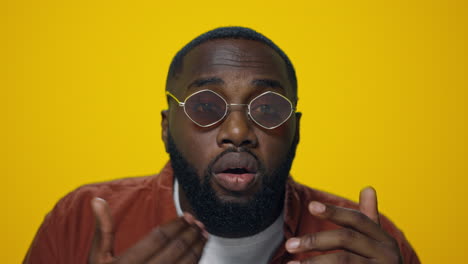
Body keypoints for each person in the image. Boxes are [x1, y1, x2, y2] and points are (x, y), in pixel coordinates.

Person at [24, 26, 420, 264]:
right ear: (166, 127)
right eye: (205, 105)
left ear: (295, 130)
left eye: (267, 107)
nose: (236, 130)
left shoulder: (369, 245)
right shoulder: (79, 222)